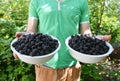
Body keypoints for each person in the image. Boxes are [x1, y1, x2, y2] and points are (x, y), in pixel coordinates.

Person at [13, 0, 111, 81]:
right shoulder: (36, 1)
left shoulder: (81, 2)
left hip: (72, 66)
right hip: (45, 65)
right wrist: (23, 41)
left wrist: (96, 44)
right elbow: (31, 31)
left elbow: (85, 33)